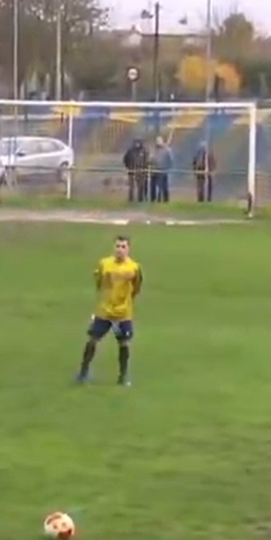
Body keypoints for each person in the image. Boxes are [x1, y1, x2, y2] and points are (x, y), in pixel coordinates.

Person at [76, 235, 143, 387]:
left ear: (128, 249)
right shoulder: (104, 264)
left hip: (123, 313)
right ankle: (83, 373)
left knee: (124, 344)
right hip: (104, 311)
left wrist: (125, 302)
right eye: (117, 246)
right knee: (92, 340)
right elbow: (99, 282)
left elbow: (136, 287)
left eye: (123, 247)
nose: (120, 249)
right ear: (114, 248)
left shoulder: (134, 267)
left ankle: (123, 376)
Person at [149, 136, 174, 203]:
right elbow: (150, 160)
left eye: (159, 142)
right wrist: (151, 160)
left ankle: (164, 199)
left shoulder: (167, 150)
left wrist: (167, 168)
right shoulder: (153, 150)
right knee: (153, 186)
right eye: (157, 142)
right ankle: (153, 199)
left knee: (163, 186)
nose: (158, 143)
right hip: (154, 170)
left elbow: (170, 160)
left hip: (163, 171)